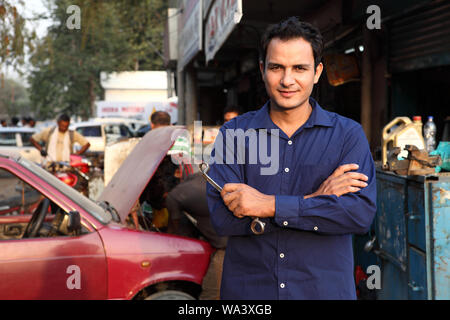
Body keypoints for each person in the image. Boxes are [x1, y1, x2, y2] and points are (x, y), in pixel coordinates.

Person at [206, 17, 376, 300]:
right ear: (262, 70)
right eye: (277, 67)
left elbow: (357, 216)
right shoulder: (234, 134)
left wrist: (267, 205)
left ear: (317, 72)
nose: (287, 80)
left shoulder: (348, 135)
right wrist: (315, 201)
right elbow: (223, 220)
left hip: (323, 292)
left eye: (299, 68)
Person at [166, 172, 227, 300]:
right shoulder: (198, 177)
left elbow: (172, 233)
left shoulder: (173, 198)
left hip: (228, 247)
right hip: (245, 237)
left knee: (211, 293)